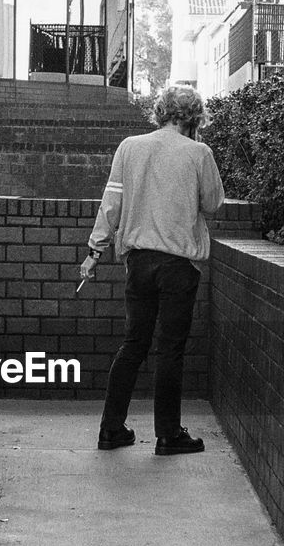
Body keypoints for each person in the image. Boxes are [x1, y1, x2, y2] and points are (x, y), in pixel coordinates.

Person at [80, 84, 225, 456]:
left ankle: (111, 430)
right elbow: (213, 204)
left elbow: (111, 201)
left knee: (133, 344)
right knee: (170, 350)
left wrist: (95, 251)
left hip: (138, 262)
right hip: (179, 264)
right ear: (194, 118)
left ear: (160, 112)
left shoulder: (130, 147)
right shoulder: (199, 152)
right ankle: (168, 434)